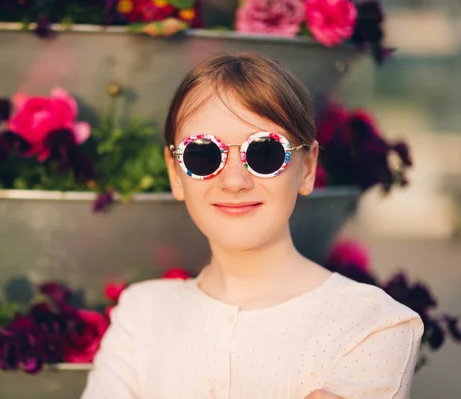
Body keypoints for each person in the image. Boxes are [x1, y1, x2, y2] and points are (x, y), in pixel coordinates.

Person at [81, 53, 423, 399]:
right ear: (175, 172)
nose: (234, 181)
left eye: (264, 153)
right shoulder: (142, 316)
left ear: (307, 168)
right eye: (203, 154)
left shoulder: (370, 325)